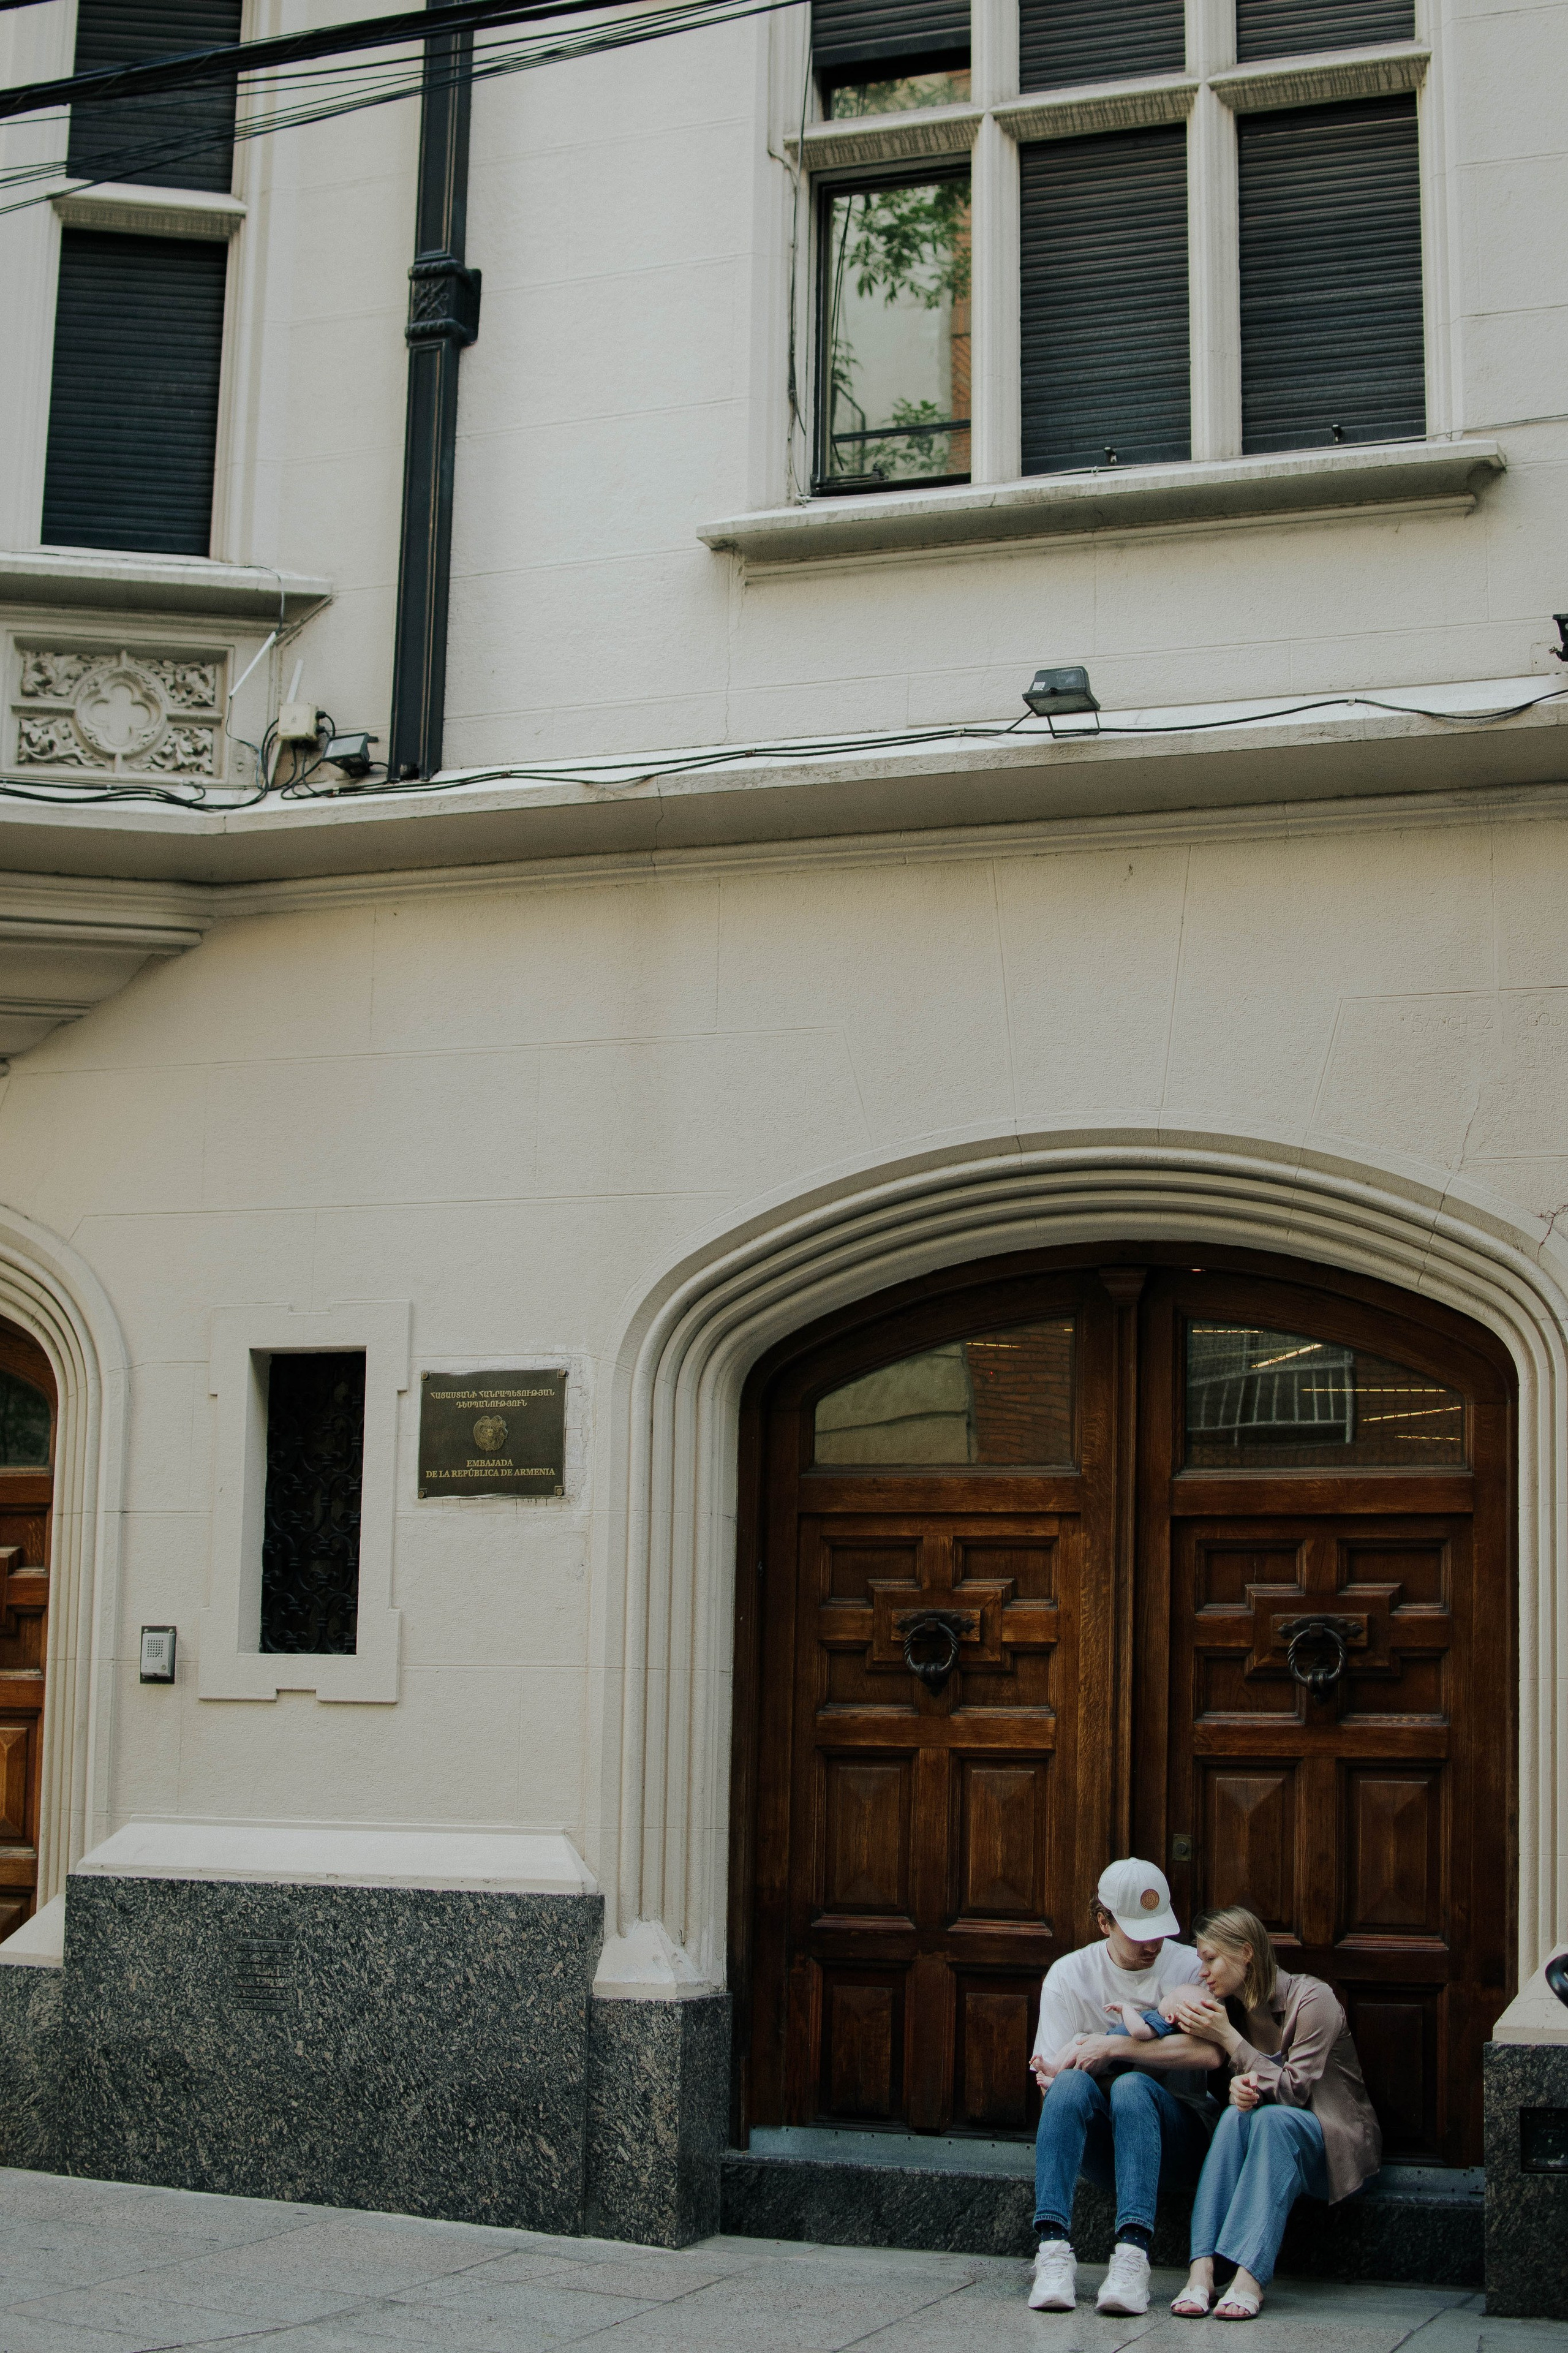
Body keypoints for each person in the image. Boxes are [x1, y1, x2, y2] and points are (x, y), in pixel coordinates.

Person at [1027, 1859, 1224, 2317]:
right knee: (1072, 2083)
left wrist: (1113, 2048)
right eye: (1138, 1931)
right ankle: (1053, 2250)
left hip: (1180, 2135)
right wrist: (1082, 2064)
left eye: (1159, 1928)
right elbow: (1053, 2095)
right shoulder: (1068, 1975)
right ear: (1104, 1921)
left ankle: (1133, 2255)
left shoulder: (1189, 1967)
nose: (1154, 1942)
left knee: (1133, 2085)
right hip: (1105, 2148)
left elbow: (1211, 2054)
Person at [1166, 1906, 1382, 2322]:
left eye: (1210, 1959)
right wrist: (1240, 2090)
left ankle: (1250, 2276)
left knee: (1271, 2120)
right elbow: (1252, 2089)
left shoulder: (1312, 1998)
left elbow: (1293, 2092)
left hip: (1335, 2148)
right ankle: (1202, 2270)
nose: (1203, 1972)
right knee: (1233, 2117)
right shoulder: (1229, 2010)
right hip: (1273, 2143)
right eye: (1200, 1961)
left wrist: (1230, 2041)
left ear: (1246, 1952)